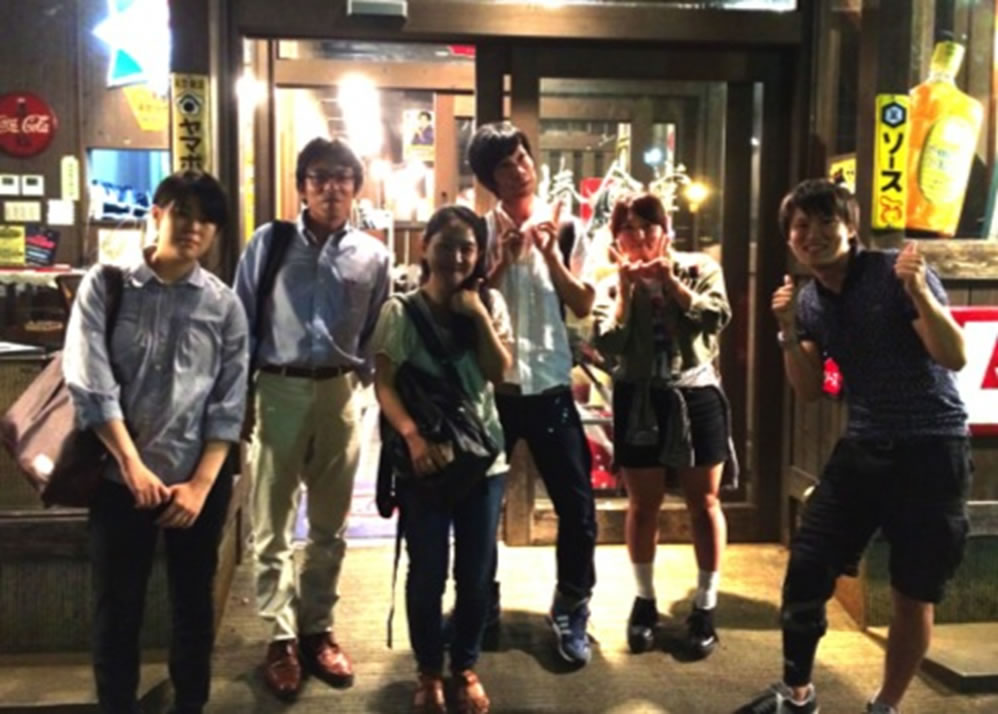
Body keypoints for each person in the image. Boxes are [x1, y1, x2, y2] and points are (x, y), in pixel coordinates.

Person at [736, 179, 971, 714]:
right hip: (864, 445)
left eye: (827, 221)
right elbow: (808, 389)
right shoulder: (810, 301)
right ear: (789, 238)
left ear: (850, 227)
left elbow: (953, 356)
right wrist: (786, 330)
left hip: (932, 448)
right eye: (802, 226)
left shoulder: (895, 273)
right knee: (807, 567)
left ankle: (885, 705)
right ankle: (797, 696)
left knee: (913, 590)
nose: (813, 234)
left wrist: (919, 293)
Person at [63, 171, 248, 714]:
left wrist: (200, 486)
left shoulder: (224, 306)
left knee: (193, 605)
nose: (194, 227)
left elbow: (229, 403)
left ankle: (190, 703)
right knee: (117, 608)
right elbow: (89, 381)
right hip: (119, 479)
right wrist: (131, 465)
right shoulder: (107, 285)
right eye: (184, 212)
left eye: (207, 219)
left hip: (196, 482)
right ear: (158, 213)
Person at [234, 137, 391, 700]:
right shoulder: (268, 243)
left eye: (342, 177)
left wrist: (369, 391)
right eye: (319, 177)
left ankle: (317, 630)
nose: (331, 188)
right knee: (271, 521)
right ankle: (280, 638)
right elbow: (241, 323)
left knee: (329, 525)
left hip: (341, 393)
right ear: (301, 186)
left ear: (356, 188)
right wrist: (239, 399)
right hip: (277, 388)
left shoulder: (373, 256)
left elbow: (377, 332)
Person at [467, 121, 598, 666]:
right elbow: (466, 306)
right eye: (505, 165)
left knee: (577, 506)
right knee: (478, 507)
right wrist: (498, 263)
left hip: (549, 387)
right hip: (492, 391)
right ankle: (482, 601)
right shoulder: (476, 232)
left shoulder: (566, 227)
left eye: (522, 157)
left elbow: (584, 302)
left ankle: (571, 605)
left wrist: (549, 255)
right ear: (489, 179)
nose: (519, 169)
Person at [373, 205, 512, 714]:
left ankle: (465, 666)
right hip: (426, 459)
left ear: (480, 254)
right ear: (425, 247)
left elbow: (499, 372)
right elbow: (384, 385)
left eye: (467, 248)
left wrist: (478, 315)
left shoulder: (489, 304)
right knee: (427, 570)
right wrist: (412, 437)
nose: (456, 257)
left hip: (482, 461)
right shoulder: (400, 311)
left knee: (475, 574)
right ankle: (429, 669)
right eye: (446, 245)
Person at [592, 192, 734, 659]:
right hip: (638, 396)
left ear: (665, 230)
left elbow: (717, 316)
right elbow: (608, 342)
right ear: (617, 238)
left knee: (704, 502)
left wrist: (672, 284)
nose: (639, 237)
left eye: (648, 226)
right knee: (643, 504)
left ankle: (705, 605)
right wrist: (626, 290)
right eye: (628, 229)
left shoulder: (698, 267)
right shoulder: (608, 283)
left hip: (694, 392)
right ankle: (644, 602)